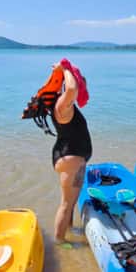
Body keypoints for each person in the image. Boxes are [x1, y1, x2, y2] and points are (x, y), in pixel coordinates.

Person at [50, 62, 92, 248]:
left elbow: (73, 89)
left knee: (72, 201)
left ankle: (69, 229)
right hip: (69, 159)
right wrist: (65, 68)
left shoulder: (67, 105)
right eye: (81, 83)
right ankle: (59, 241)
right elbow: (72, 89)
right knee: (66, 203)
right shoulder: (62, 105)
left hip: (75, 160)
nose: (83, 87)